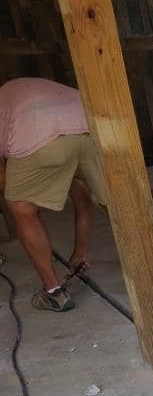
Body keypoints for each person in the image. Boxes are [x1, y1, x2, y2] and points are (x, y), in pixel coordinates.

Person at [0, 77, 107, 312]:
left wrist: (23, 196)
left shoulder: (5, 101)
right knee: (83, 193)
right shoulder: (30, 87)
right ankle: (80, 255)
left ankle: (54, 293)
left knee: (21, 208)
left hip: (41, 136)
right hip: (90, 132)